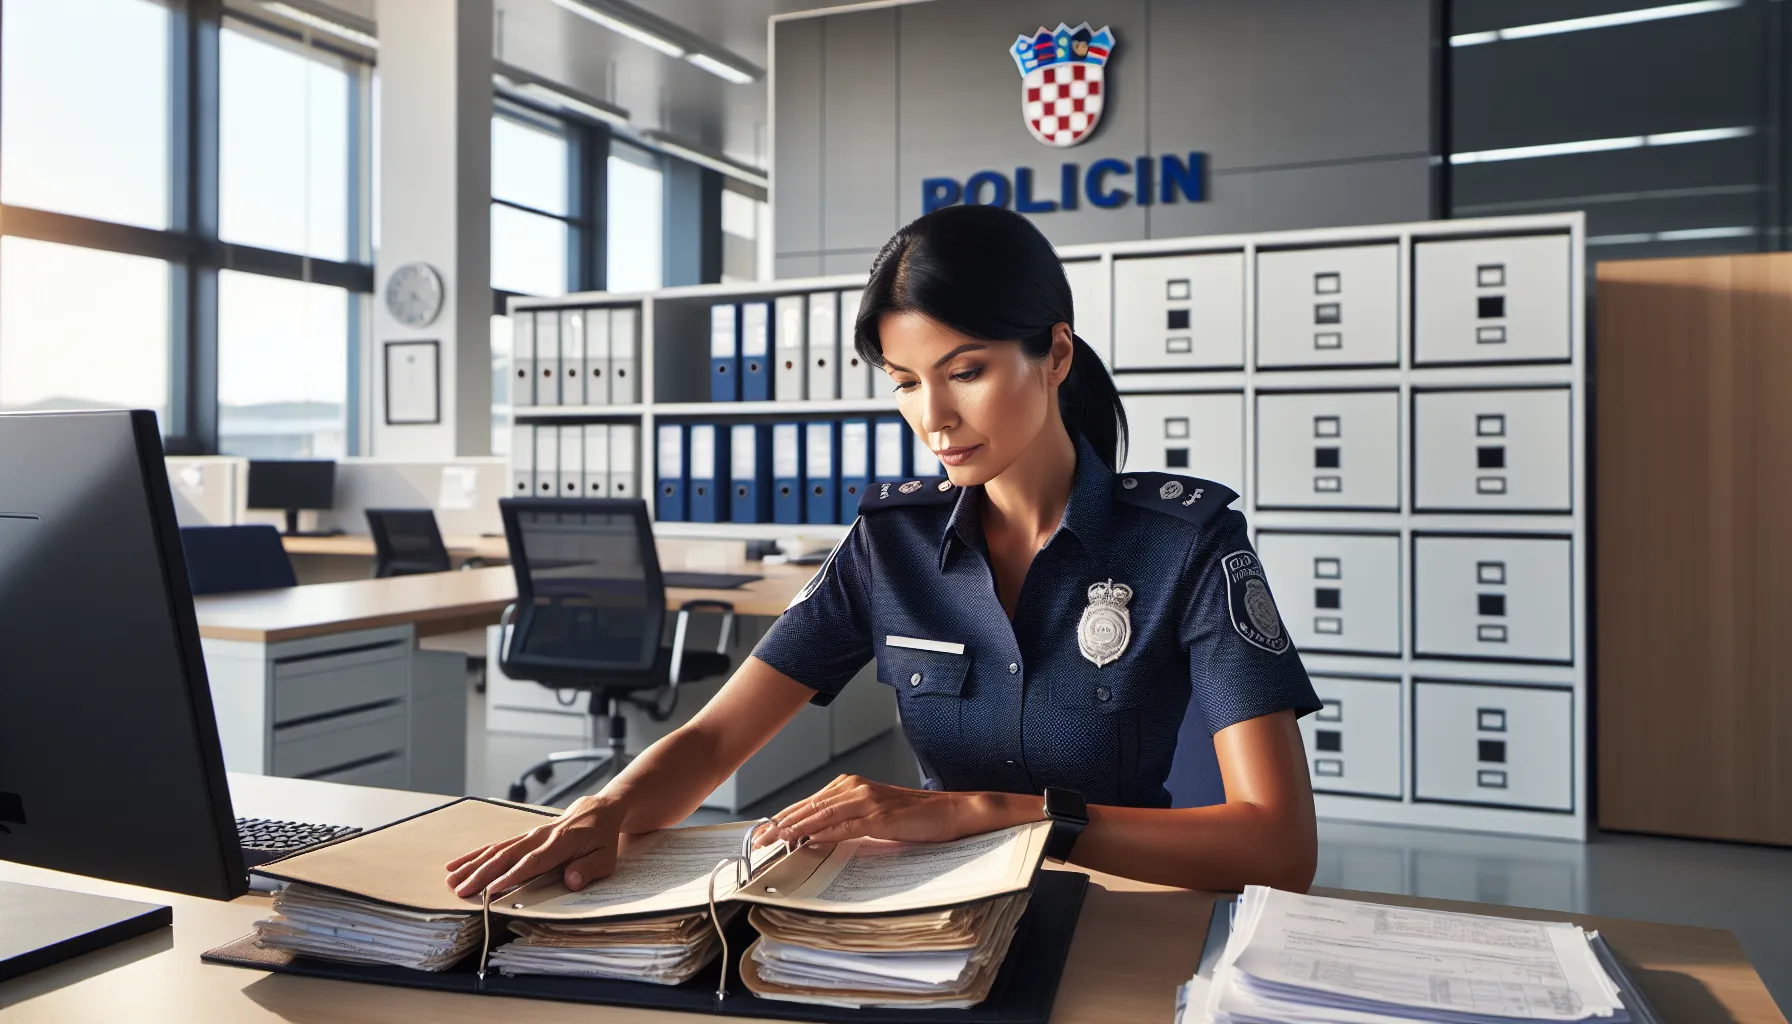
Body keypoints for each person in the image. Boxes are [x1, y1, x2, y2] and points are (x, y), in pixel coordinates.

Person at [446, 205, 1322, 900]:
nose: (933, 417)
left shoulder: (1186, 544)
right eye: (905, 383)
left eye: (966, 370)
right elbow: (716, 740)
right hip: (926, 921)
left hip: (1113, 913)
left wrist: (985, 814)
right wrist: (600, 813)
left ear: (1054, 353)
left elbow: (1279, 846)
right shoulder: (891, 543)